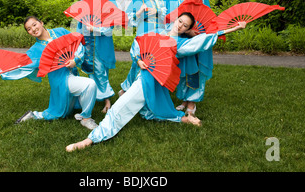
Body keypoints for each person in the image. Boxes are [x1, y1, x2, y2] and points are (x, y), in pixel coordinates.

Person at [65, 13, 246, 152]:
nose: (181, 25)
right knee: (148, 112)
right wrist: (139, 61)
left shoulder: (180, 44)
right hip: (144, 75)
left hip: (152, 80)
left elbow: (205, 39)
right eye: (180, 21)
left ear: (186, 29)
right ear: (176, 20)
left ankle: (90, 139)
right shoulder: (158, 32)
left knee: (119, 108)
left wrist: (234, 29)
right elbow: (137, 45)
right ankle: (185, 119)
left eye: (185, 25)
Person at [0, 16, 98, 130]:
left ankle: (34, 115)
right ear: (29, 33)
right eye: (29, 29)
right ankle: (86, 119)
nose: (33, 29)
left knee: (68, 109)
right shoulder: (36, 49)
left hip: (72, 73)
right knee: (89, 85)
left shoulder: (60, 31)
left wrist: (76, 59)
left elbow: (77, 41)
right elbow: (20, 66)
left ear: (41, 23)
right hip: (60, 80)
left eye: (34, 25)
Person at [170, 0, 218, 118]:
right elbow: (172, 20)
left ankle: (192, 102)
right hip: (183, 38)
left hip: (199, 35)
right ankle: (183, 98)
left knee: (196, 68)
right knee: (184, 67)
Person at [69, 0, 118, 113]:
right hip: (82, 32)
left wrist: (96, 28)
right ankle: (85, 96)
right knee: (84, 64)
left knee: (99, 67)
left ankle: (107, 101)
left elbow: (111, 22)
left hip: (99, 36)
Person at [119, 0, 172, 94]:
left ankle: (155, 88)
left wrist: (158, 11)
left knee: (158, 60)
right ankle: (128, 88)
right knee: (141, 60)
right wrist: (139, 12)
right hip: (145, 31)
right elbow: (128, 20)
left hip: (163, 32)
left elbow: (173, 13)